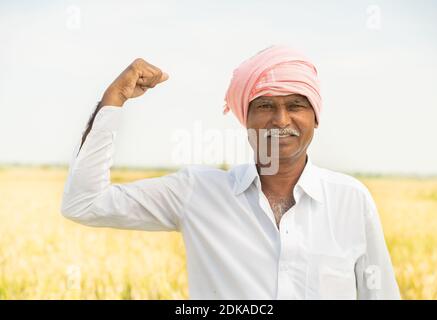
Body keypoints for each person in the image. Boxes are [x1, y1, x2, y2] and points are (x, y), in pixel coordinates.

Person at [60, 45, 401, 299]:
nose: (281, 120)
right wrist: (113, 99)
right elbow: (84, 203)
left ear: (315, 117)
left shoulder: (351, 201)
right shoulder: (198, 193)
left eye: (296, 105)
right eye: (265, 106)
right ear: (244, 119)